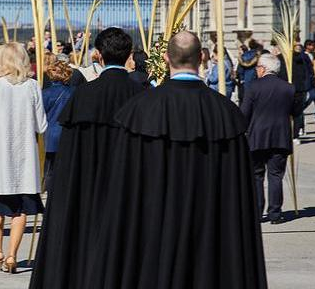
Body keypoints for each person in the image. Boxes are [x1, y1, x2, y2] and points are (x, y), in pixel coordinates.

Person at [81, 30, 267, 289]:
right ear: (201, 58)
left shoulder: (141, 110)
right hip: (210, 235)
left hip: (152, 233)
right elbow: (238, 195)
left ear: (167, 58)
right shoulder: (225, 113)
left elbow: (124, 189)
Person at [30, 27, 144, 289]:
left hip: (86, 190)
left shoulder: (82, 95)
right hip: (126, 191)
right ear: (128, 55)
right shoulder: (141, 96)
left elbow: (70, 157)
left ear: (98, 55)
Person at [0, 42, 47, 273]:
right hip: (25, 157)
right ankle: (13, 255)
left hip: (0, 157)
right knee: (20, 209)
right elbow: (41, 124)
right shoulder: (33, 86)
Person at [241, 53, 296, 224]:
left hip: (257, 137)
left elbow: (244, 113)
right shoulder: (288, 88)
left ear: (263, 68)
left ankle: (257, 213)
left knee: (257, 176)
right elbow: (297, 111)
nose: (256, 70)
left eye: (258, 67)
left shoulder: (253, 87)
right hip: (280, 138)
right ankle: (275, 213)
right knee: (275, 176)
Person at [41, 60, 73, 192]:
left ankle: (50, 194)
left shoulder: (45, 93)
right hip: (68, 133)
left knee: (49, 169)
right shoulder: (73, 92)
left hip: (50, 133)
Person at [237, 39, 262, 105]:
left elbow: (240, 70)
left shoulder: (243, 56)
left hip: (245, 81)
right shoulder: (258, 56)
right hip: (256, 79)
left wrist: (241, 78)